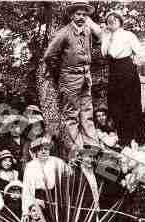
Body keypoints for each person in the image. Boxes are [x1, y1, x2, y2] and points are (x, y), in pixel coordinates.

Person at [43, 1, 102, 149]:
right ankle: (77, 149)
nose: (81, 17)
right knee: (71, 116)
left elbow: (98, 39)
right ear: (71, 15)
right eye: (78, 14)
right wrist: (60, 74)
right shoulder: (64, 33)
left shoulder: (88, 31)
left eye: (84, 14)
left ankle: (92, 145)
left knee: (87, 112)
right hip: (69, 79)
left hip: (86, 78)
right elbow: (49, 56)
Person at [101, 11, 143, 146]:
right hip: (114, 72)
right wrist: (107, 36)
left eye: (114, 20)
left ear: (120, 21)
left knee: (131, 103)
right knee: (115, 105)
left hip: (127, 70)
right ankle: (123, 138)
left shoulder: (128, 35)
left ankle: (136, 139)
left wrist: (134, 63)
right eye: (108, 21)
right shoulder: (107, 36)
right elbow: (105, 53)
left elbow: (141, 53)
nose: (111, 22)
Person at [21, 136, 69, 217]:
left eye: (46, 149)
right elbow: (27, 188)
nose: (43, 152)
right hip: (38, 198)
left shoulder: (58, 162)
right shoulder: (30, 166)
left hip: (54, 197)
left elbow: (69, 173)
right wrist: (25, 211)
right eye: (40, 150)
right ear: (36, 152)